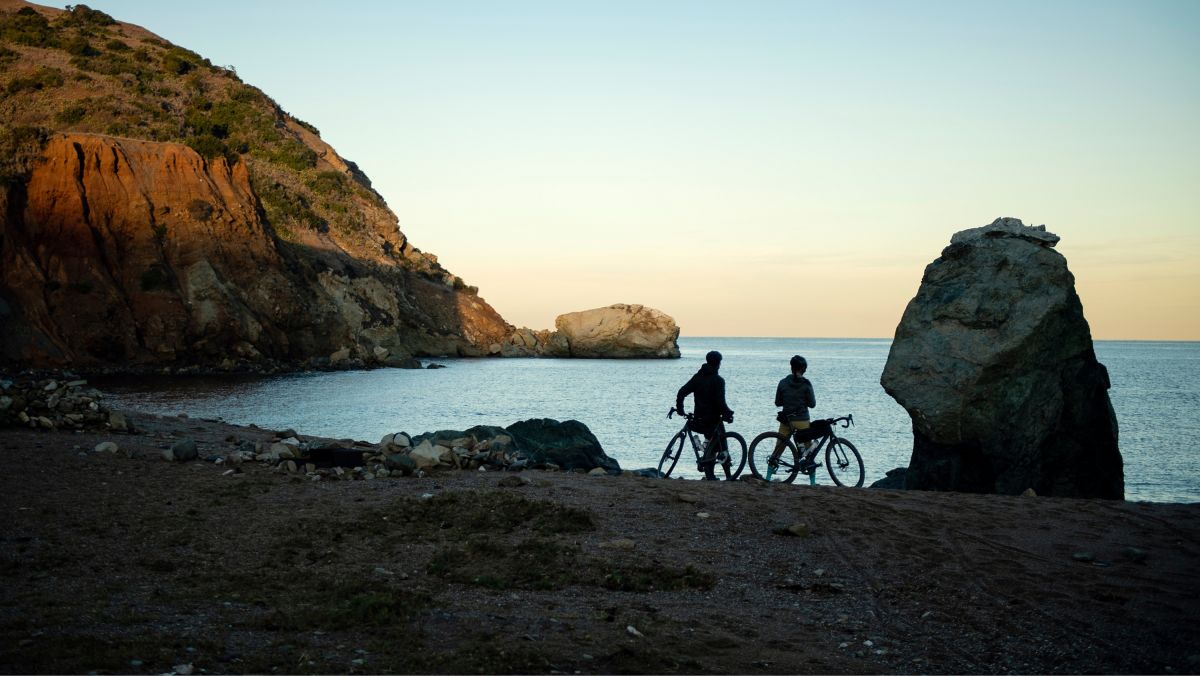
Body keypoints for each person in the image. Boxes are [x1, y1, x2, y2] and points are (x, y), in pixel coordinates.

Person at [675, 350, 735, 479]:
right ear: (718, 363)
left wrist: (680, 409)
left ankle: (710, 475)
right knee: (722, 446)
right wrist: (728, 414)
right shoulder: (718, 380)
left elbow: (681, 392)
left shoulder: (697, 377)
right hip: (713, 420)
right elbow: (720, 402)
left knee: (711, 447)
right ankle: (728, 477)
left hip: (699, 420)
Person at [767, 355, 817, 481]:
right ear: (803, 369)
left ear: (791, 367)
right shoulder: (806, 384)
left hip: (787, 421)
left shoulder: (783, 382)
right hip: (802, 421)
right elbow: (812, 404)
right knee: (808, 451)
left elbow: (778, 402)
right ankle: (813, 482)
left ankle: (768, 477)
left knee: (779, 448)